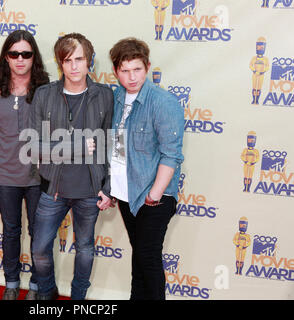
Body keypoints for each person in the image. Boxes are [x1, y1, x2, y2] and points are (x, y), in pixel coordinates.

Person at [28, 33, 114, 300]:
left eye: (80, 59)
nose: (74, 66)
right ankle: (46, 292)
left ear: (89, 61)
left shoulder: (105, 95)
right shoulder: (44, 95)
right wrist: (74, 148)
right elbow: (32, 146)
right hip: (52, 188)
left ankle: (78, 298)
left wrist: (110, 186)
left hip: (90, 190)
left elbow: (113, 143)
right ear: (59, 63)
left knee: (85, 249)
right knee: (40, 248)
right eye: (67, 60)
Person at [109, 38, 184, 300]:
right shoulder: (116, 97)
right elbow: (116, 147)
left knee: (148, 258)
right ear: (116, 71)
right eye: (125, 71)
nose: (132, 77)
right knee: (140, 257)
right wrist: (110, 188)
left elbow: (171, 154)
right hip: (127, 193)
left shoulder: (163, 102)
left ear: (148, 66)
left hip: (154, 197)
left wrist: (154, 194)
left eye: (137, 69)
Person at [0, 30, 49, 300]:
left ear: (34, 57)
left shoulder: (46, 89)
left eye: (26, 54)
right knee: (10, 232)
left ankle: (35, 285)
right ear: (6, 57)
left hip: (38, 177)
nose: (20, 59)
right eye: (14, 54)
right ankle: (10, 283)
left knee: (39, 234)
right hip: (5, 175)